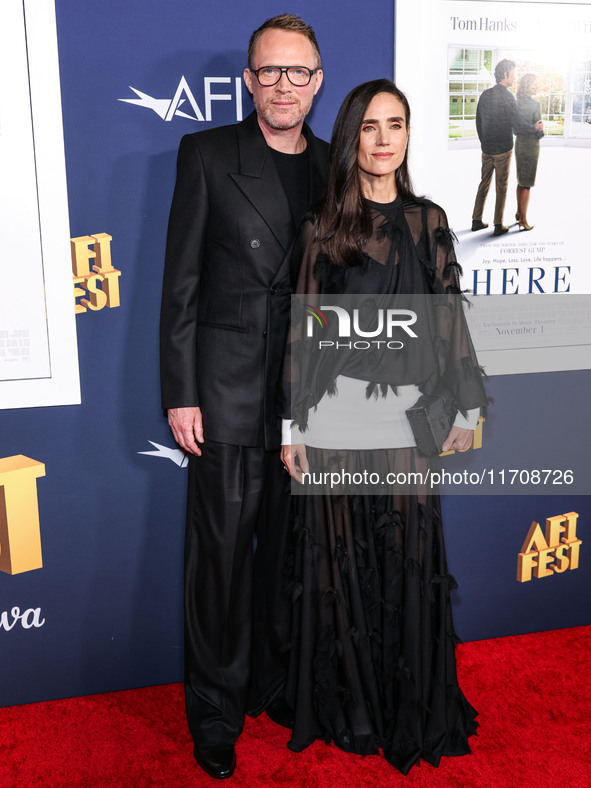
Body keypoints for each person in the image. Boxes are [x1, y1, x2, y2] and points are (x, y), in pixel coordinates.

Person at [281, 79, 488, 774]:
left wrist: (466, 408)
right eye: (369, 126)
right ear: (351, 138)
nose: (382, 139)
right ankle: (352, 706)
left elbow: (450, 320)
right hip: (335, 423)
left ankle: (408, 706)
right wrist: (291, 427)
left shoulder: (427, 222)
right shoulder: (320, 228)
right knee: (341, 568)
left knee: (405, 557)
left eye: (394, 124)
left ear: (406, 134)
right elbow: (303, 338)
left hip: (404, 424)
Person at [159, 14, 328, 780]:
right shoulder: (205, 153)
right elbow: (181, 284)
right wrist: (181, 390)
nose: (283, 86)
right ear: (249, 79)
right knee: (221, 566)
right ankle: (216, 712)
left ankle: (276, 684)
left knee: (289, 559)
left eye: (297, 72)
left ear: (317, 80)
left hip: (310, 397)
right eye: (269, 72)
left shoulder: (337, 166)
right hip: (225, 392)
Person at [471, 59, 543, 236]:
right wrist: (533, 128)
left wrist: (484, 142)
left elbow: (478, 121)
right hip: (503, 149)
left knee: (483, 184)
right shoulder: (508, 96)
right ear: (505, 75)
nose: (514, 77)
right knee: (501, 187)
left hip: (486, 149)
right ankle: (498, 225)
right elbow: (517, 122)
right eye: (513, 73)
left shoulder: (485, 94)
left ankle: (476, 220)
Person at [514, 74, 544, 231]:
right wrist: (540, 132)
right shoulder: (535, 105)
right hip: (531, 146)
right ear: (528, 86)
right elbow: (538, 127)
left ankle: (519, 213)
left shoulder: (515, 103)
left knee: (520, 181)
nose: (537, 87)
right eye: (535, 84)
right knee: (527, 184)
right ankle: (523, 221)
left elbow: (515, 128)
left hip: (519, 144)